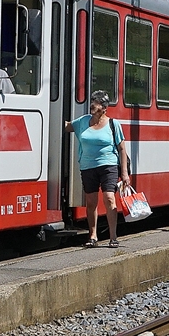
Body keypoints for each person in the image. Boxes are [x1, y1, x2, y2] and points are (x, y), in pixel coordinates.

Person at [64, 90, 130, 247]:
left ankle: (113, 236)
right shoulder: (82, 121)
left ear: (105, 108)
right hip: (88, 167)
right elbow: (67, 127)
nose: (93, 105)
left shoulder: (113, 124)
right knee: (91, 201)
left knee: (109, 198)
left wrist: (124, 173)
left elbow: (122, 149)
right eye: (93, 101)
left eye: (97, 103)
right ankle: (93, 236)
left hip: (108, 165)